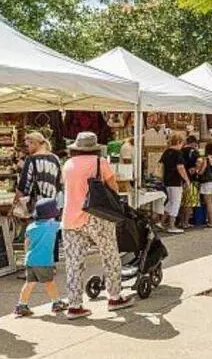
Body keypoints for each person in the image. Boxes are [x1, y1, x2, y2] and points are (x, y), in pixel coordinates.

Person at [61, 132, 133, 319]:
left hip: (70, 217)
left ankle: (75, 305)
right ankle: (114, 296)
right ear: (95, 147)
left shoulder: (67, 165)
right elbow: (113, 188)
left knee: (74, 262)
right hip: (96, 216)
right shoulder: (101, 163)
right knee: (110, 255)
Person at [11, 132, 64, 261]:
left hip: (37, 205)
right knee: (50, 235)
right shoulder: (55, 158)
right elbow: (59, 183)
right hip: (53, 204)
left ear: (34, 143)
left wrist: (15, 204)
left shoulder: (31, 160)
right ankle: (50, 265)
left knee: (34, 235)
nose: (27, 148)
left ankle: (34, 268)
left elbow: (24, 186)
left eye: (28, 145)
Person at [14, 198, 67, 317]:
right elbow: (66, 224)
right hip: (44, 261)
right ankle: (56, 303)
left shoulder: (30, 227)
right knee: (50, 282)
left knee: (29, 283)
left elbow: (26, 244)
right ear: (51, 214)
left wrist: (27, 256)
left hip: (30, 260)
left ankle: (21, 305)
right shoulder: (52, 225)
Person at [159, 133, 192, 234]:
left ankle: (161, 221)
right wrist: (187, 180)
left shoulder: (166, 152)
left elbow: (161, 166)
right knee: (176, 203)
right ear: (178, 142)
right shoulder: (178, 153)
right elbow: (180, 168)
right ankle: (171, 225)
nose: (182, 145)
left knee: (171, 202)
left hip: (167, 180)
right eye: (182, 143)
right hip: (175, 181)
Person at [179, 135, 201, 230]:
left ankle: (181, 221)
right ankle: (186, 222)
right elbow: (200, 161)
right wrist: (196, 168)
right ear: (194, 143)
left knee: (182, 202)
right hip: (191, 179)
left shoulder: (180, 151)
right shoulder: (194, 151)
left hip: (180, 179)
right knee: (189, 202)